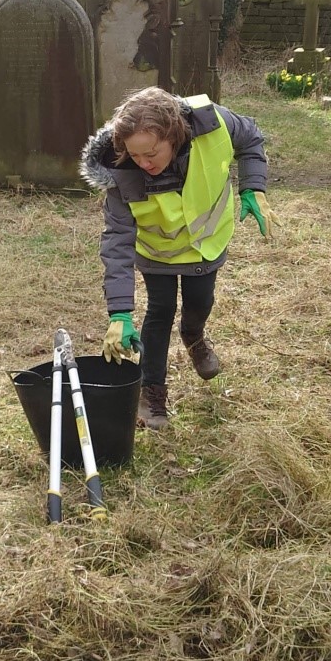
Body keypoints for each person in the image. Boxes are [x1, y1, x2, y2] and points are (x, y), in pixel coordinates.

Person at [80, 87, 276, 431]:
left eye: (151, 153)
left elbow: (251, 138)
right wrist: (120, 312)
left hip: (205, 246)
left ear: (173, 134)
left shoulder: (213, 123)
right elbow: (117, 243)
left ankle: (194, 336)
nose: (143, 163)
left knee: (200, 301)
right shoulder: (121, 172)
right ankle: (152, 393)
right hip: (159, 255)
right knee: (160, 311)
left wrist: (252, 186)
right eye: (135, 155)